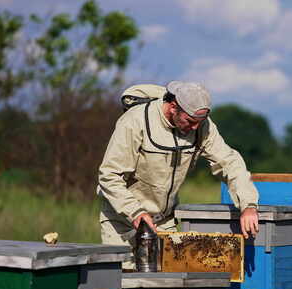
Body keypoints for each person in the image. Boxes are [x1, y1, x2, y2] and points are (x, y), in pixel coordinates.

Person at [97, 81, 259, 269]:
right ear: (173, 107)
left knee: (166, 284)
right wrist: (135, 212)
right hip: (122, 220)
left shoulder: (201, 126)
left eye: (199, 123)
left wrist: (248, 205)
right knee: (123, 284)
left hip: (162, 221)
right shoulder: (135, 121)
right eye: (190, 122)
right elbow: (109, 175)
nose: (194, 128)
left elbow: (230, 162)